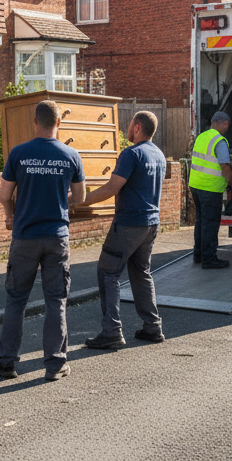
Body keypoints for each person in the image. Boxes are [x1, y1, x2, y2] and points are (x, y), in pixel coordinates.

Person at [0, 100, 86, 382]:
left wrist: (10, 216)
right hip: (57, 238)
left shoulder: (19, 153)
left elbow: (5, 195)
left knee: (16, 300)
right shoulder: (71, 155)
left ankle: (6, 363)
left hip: (25, 238)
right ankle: (56, 365)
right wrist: (60, 199)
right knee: (56, 300)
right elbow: (79, 197)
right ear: (59, 123)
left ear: (35, 121)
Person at [81, 111, 166, 350]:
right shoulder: (158, 154)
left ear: (137, 127)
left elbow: (112, 187)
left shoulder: (132, 153)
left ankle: (111, 331)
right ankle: (152, 327)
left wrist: (79, 200)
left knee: (107, 272)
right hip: (151, 223)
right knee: (141, 273)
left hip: (130, 224)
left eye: (130, 125)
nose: (128, 129)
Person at [189, 111, 232, 269]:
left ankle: (198, 255)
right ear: (224, 124)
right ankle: (209, 259)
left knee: (200, 222)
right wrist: (231, 183)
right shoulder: (220, 141)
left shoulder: (201, 137)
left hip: (195, 186)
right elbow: (225, 166)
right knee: (210, 224)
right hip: (210, 188)